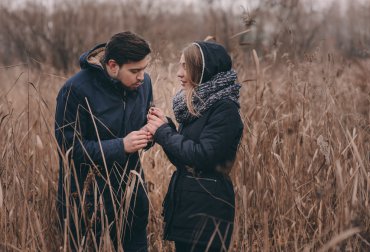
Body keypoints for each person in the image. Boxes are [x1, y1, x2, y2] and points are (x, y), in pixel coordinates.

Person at [55, 31, 153, 251]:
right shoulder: (75, 90)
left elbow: (145, 126)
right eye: (135, 70)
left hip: (133, 196)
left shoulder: (143, 83)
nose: (141, 76)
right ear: (112, 65)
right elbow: (69, 148)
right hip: (86, 200)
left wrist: (152, 133)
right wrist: (121, 146)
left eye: (144, 69)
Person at [146, 41, 243, 252]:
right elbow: (184, 159)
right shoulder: (200, 105)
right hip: (189, 207)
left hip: (207, 212)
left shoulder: (224, 109)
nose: (179, 73)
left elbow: (203, 156)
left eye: (185, 66)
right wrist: (167, 126)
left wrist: (164, 132)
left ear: (203, 70)